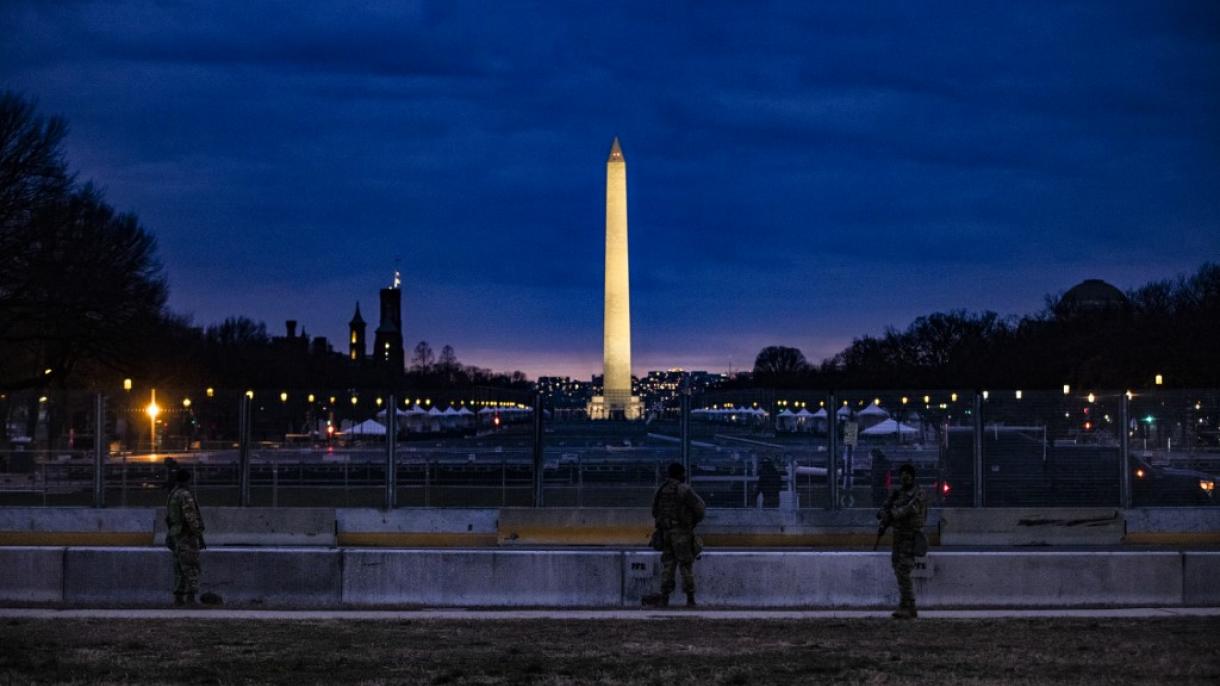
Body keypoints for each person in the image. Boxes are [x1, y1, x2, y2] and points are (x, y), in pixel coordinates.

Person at [646, 462, 706, 607]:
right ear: (680, 474)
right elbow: (700, 508)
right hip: (682, 533)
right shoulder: (684, 489)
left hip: (666, 533)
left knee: (668, 565)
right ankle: (690, 599)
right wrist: (691, 522)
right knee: (685, 565)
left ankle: (665, 597)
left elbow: (654, 511)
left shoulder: (661, 490)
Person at [877, 463, 927, 619]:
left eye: (907, 476)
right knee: (898, 569)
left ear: (912, 477)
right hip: (898, 537)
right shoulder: (897, 493)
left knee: (903, 571)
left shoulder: (918, 494)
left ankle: (910, 606)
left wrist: (892, 514)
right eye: (902, 476)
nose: (905, 479)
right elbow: (884, 509)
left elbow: (907, 511)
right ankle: (904, 604)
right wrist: (885, 516)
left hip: (910, 537)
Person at [166, 468, 206, 606]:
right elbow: (190, 516)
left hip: (176, 533)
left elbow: (169, 516)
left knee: (179, 567)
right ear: (188, 480)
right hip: (186, 534)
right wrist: (198, 533)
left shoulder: (173, 494)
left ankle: (178, 598)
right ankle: (190, 598)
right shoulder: (185, 495)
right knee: (191, 565)